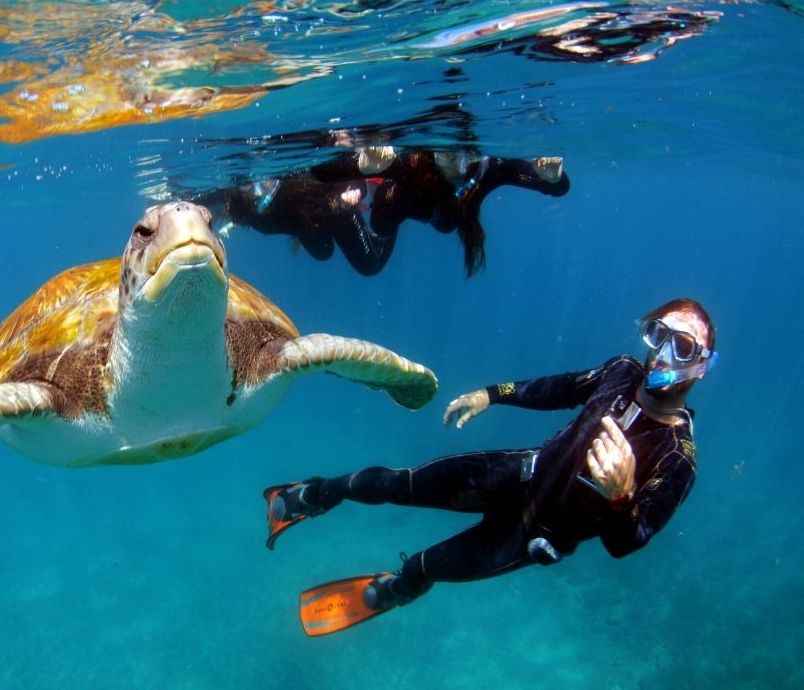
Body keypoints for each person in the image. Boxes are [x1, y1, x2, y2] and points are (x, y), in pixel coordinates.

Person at [263, 298, 716, 636]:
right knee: (396, 483)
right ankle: (318, 494)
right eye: (657, 336)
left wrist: (620, 497)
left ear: (701, 367)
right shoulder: (621, 372)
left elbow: (627, 542)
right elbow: (557, 389)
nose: (661, 355)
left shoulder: (677, 458)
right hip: (515, 473)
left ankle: (403, 585)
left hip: (531, 536)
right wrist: (492, 393)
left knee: (429, 564)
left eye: (681, 346)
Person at [312, 147, 570, 277]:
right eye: (447, 156)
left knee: (448, 223)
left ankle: (357, 194)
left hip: (447, 218)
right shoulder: (411, 163)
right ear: (433, 153)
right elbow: (320, 172)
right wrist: (363, 166)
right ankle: (360, 195)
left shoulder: (491, 168)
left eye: (468, 156)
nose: (458, 168)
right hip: (393, 206)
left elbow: (558, 188)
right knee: (382, 226)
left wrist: (552, 179)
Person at [193, 169, 396, 276]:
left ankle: (391, 199)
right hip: (308, 225)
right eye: (247, 185)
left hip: (336, 209)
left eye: (264, 180)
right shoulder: (238, 204)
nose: (258, 189)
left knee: (370, 265)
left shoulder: (298, 178)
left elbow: (348, 174)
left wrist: (353, 195)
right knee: (323, 253)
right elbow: (199, 199)